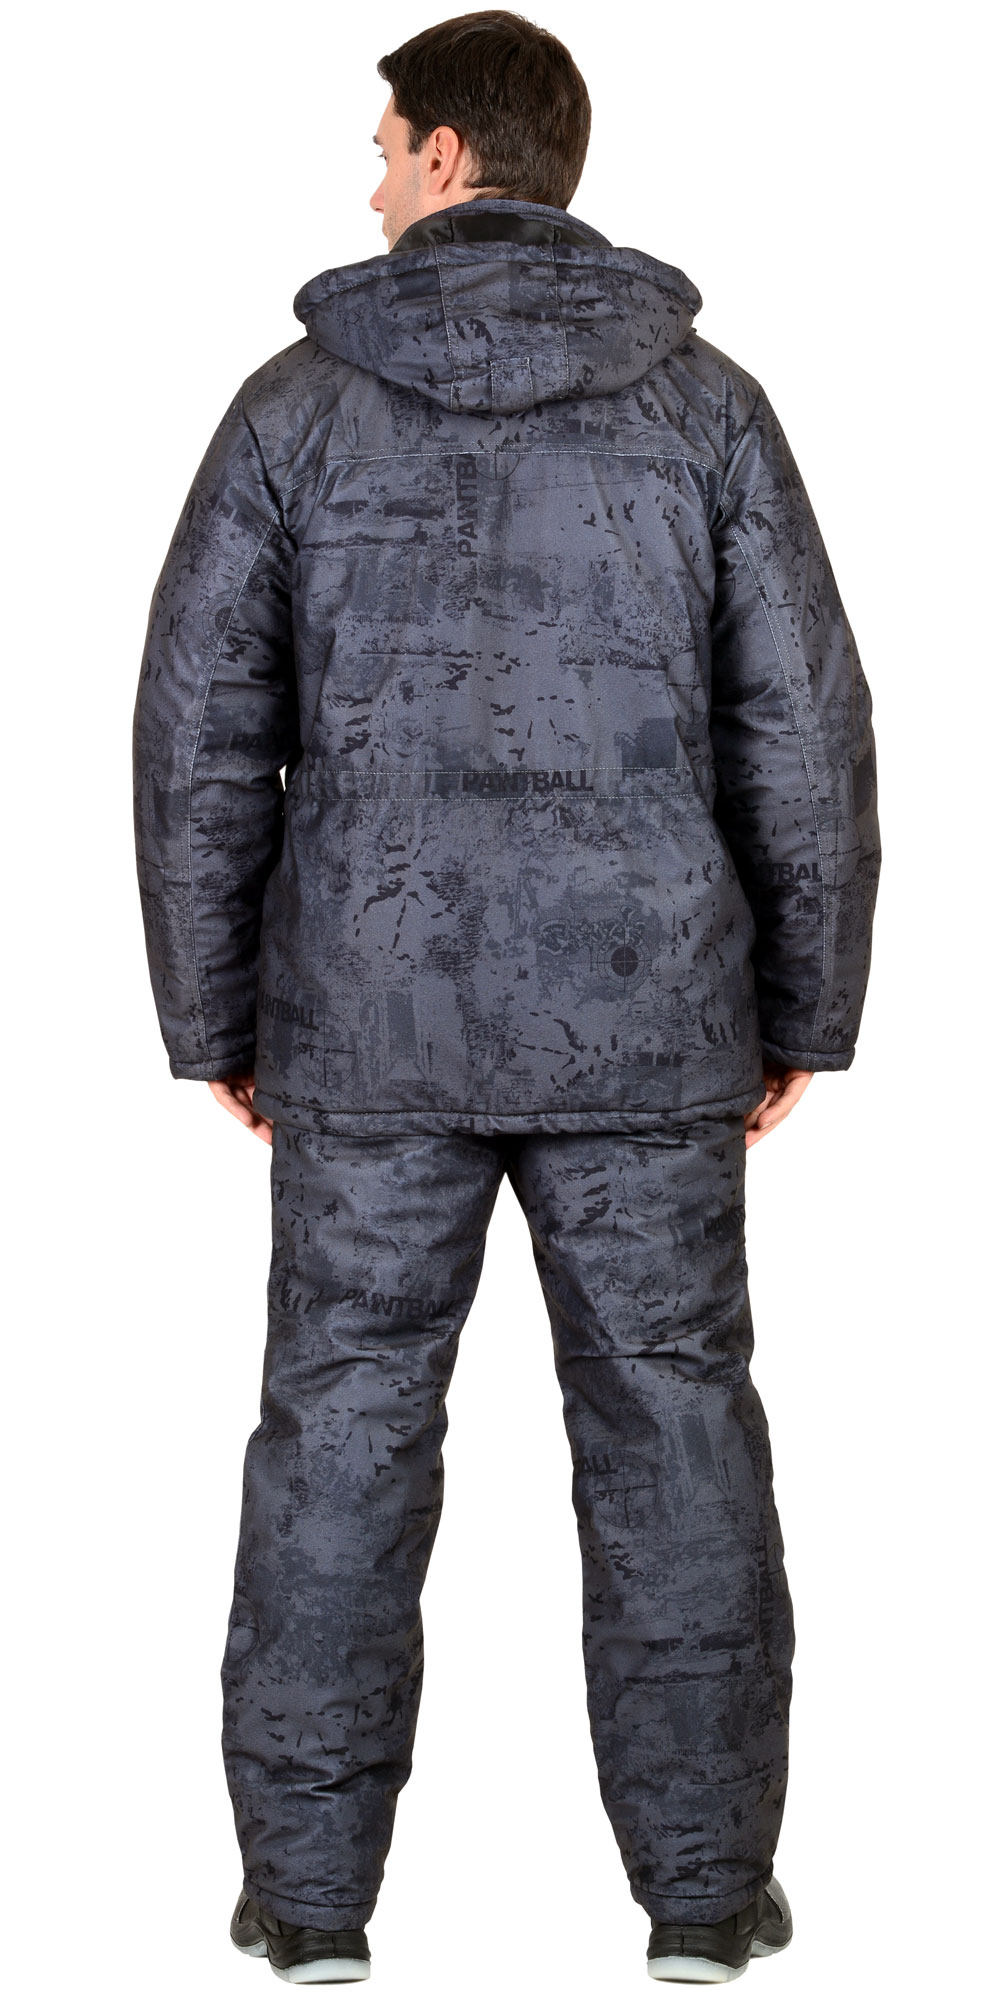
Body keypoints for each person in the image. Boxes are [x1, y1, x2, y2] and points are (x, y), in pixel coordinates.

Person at [132, 10, 880, 1985]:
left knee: (339, 1436)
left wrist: (219, 1015)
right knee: (674, 1434)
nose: (367, 176)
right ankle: (704, 1904)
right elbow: (800, 726)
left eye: (383, 141)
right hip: (651, 1019)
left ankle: (308, 1910)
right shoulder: (705, 408)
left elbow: (199, 732)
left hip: (363, 1022)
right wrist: (801, 1005)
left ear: (454, 155)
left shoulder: (293, 410)